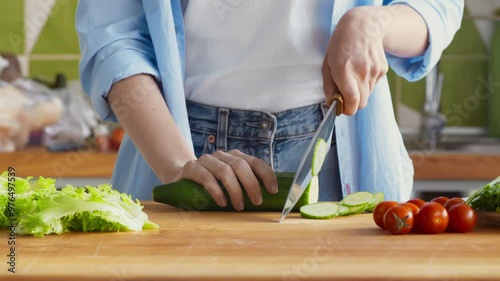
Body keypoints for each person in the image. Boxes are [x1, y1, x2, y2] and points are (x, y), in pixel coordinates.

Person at [76, 0, 463, 210]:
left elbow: (438, 6)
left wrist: (376, 22)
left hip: (338, 147)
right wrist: (177, 166)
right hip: (180, 149)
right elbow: (113, 41)